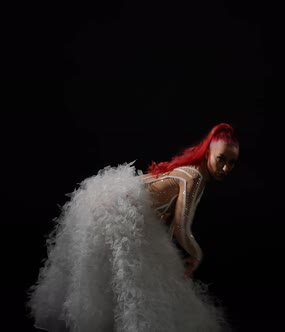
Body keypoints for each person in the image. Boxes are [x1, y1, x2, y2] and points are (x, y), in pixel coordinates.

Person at [27, 123, 240, 332]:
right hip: (115, 207)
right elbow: (181, 229)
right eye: (221, 159)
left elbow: (165, 223)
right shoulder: (195, 177)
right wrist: (197, 254)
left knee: (129, 273)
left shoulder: (192, 172)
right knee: (134, 279)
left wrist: (167, 257)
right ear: (207, 153)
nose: (225, 168)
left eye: (232, 163)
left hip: (109, 200)